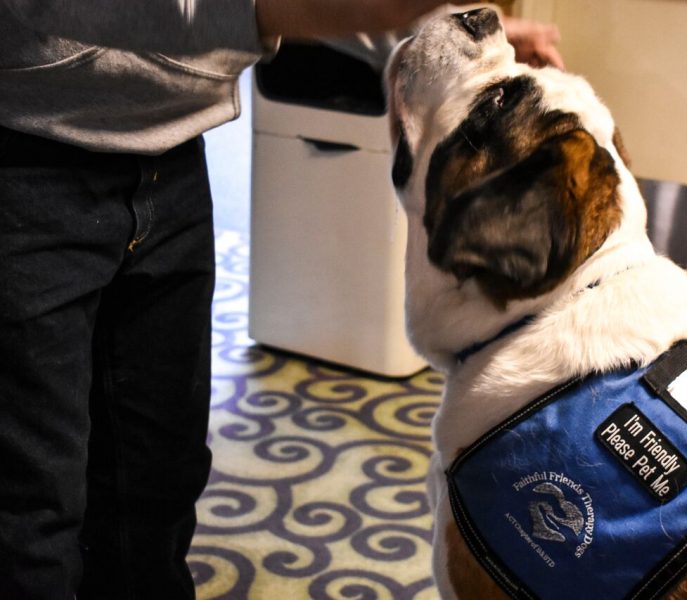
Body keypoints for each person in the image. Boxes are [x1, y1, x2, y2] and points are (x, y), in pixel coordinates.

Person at [0, 1, 563, 598]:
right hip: (28, 160)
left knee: (157, 474)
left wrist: (430, 33)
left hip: (171, 159)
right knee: (31, 505)